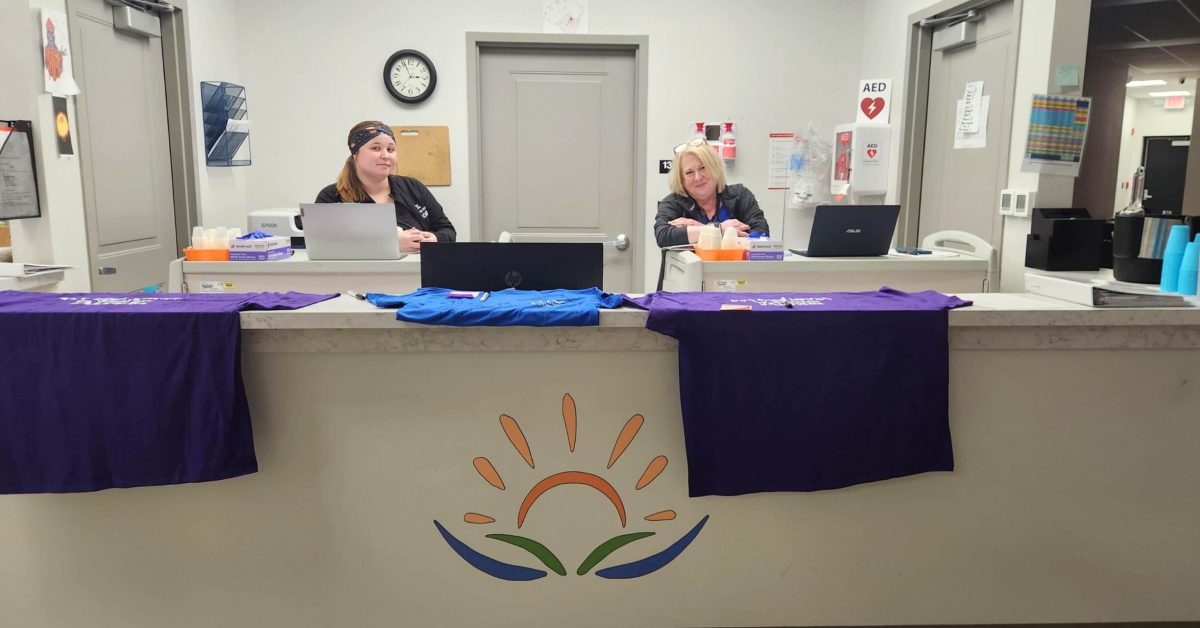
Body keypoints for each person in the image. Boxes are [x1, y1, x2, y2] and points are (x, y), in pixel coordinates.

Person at [315, 121, 456, 253]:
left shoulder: (413, 187)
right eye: (376, 148)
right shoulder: (332, 196)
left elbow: (447, 230)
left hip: (418, 270)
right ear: (355, 153)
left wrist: (435, 239)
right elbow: (319, 244)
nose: (385, 155)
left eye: (390, 149)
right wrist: (390, 243)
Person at [653, 138, 769, 248]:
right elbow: (663, 236)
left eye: (703, 168)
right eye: (689, 172)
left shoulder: (740, 196)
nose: (698, 177)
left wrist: (705, 229)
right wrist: (720, 229)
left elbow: (761, 234)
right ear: (681, 180)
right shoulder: (672, 204)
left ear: (715, 168)